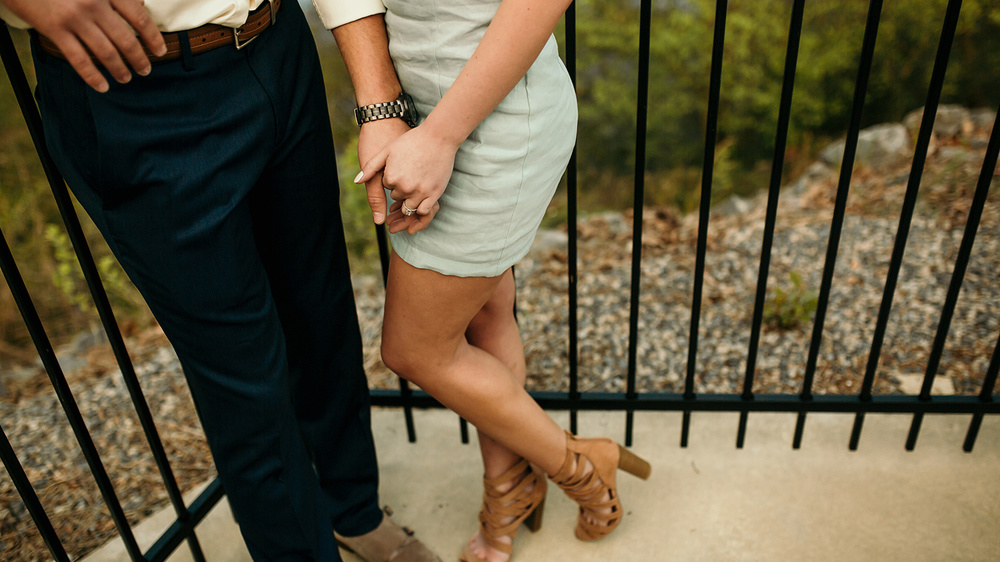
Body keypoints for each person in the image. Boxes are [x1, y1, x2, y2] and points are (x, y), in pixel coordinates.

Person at [0, 0, 439, 560]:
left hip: (279, 40)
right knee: (243, 379)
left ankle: (351, 509)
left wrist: (379, 103)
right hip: (132, 87)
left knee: (321, 314)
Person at [333, 2, 652, 561]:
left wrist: (439, 138)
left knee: (414, 350)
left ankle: (579, 464)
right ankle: (509, 490)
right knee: (485, 313)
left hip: (486, 127)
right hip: (422, 115)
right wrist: (384, 112)